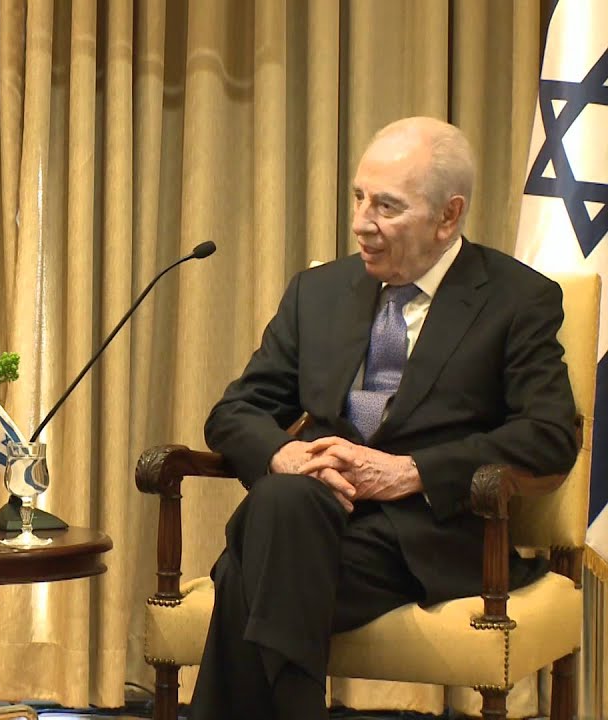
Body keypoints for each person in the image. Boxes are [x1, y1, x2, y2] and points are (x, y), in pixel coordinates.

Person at [189, 117, 578, 720]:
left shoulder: (516, 299)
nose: (360, 223)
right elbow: (236, 411)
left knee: (258, 560)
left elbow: (549, 435)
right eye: (358, 197)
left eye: (387, 207)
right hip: (311, 521)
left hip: (423, 537)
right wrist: (283, 455)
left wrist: (410, 471)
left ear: (448, 216)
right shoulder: (316, 292)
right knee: (285, 504)